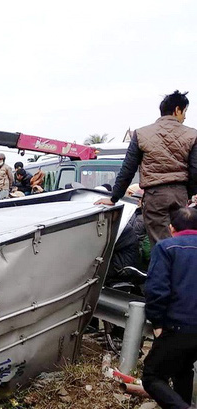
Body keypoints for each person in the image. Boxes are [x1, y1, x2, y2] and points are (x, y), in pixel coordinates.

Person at [95, 90, 197, 246]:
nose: (184, 117)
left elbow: (128, 169)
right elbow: (194, 170)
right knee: (180, 243)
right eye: (184, 112)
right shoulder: (192, 134)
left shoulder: (141, 134)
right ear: (177, 110)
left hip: (154, 197)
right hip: (179, 194)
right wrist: (188, 194)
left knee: (160, 246)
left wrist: (114, 197)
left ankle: (162, 269)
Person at [142, 205, 197, 409]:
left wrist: (157, 321)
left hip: (178, 326)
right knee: (182, 368)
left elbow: (156, 290)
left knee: (152, 376)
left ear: (172, 228)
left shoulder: (166, 248)